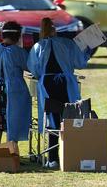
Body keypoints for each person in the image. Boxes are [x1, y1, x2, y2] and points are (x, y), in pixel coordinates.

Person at [28, 17, 91, 168]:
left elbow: (34, 69)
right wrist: (88, 49)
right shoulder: (67, 44)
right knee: (70, 116)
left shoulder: (38, 46)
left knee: (51, 118)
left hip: (47, 86)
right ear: (55, 29)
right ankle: (71, 154)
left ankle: (53, 158)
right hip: (66, 85)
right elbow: (80, 62)